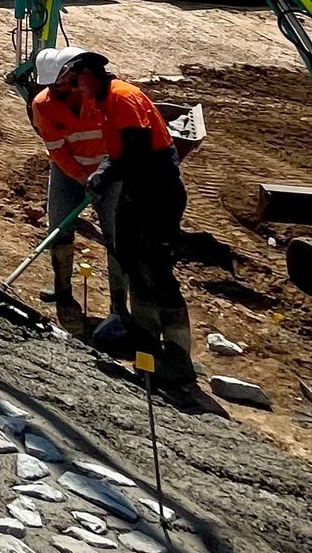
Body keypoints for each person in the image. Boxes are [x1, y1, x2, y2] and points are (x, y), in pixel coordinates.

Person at [31, 47, 196, 395]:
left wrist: (105, 175)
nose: (75, 91)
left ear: (86, 75)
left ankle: (178, 360)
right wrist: (90, 176)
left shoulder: (122, 99)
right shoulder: (99, 101)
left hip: (155, 191)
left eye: (74, 82)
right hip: (130, 185)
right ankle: (145, 344)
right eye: (66, 85)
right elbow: (89, 151)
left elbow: (135, 151)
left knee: (155, 270)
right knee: (135, 262)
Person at [27, 45, 133, 344]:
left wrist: (103, 176)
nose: (57, 91)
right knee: (59, 228)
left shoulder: (99, 95)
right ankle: (62, 290)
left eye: (61, 84)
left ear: (72, 76)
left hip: (110, 173)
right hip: (69, 172)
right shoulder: (42, 105)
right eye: (51, 86)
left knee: (116, 238)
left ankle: (118, 307)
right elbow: (58, 150)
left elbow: (120, 139)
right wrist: (84, 179)